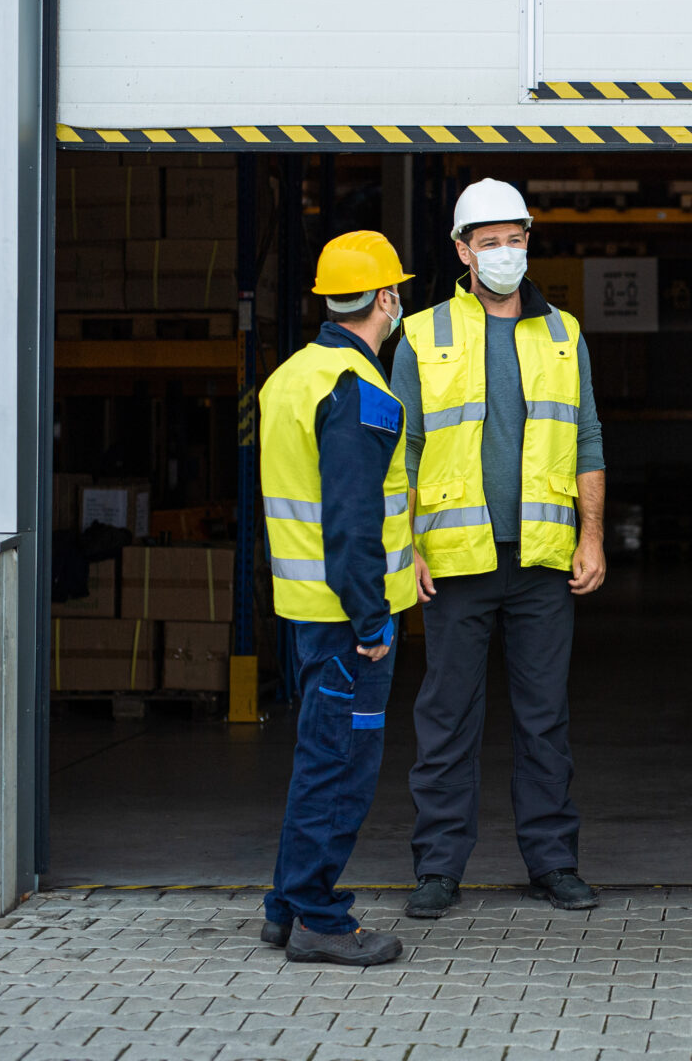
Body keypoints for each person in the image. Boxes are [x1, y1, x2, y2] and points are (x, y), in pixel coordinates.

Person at [395, 178, 607, 918]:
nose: (505, 252)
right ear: (462, 251)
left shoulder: (563, 333)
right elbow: (406, 448)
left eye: (515, 239)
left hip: (543, 559)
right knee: (447, 717)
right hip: (455, 562)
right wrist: (406, 548)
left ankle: (552, 862)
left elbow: (586, 435)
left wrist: (592, 535)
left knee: (544, 717)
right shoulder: (423, 334)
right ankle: (438, 868)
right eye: (489, 242)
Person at [257, 230, 418, 966]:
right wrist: (373, 619)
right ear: (387, 297)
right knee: (340, 763)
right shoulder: (360, 391)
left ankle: (287, 904)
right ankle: (320, 916)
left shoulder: (292, 375)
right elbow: (352, 520)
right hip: (349, 621)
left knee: (317, 755)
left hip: (307, 610)